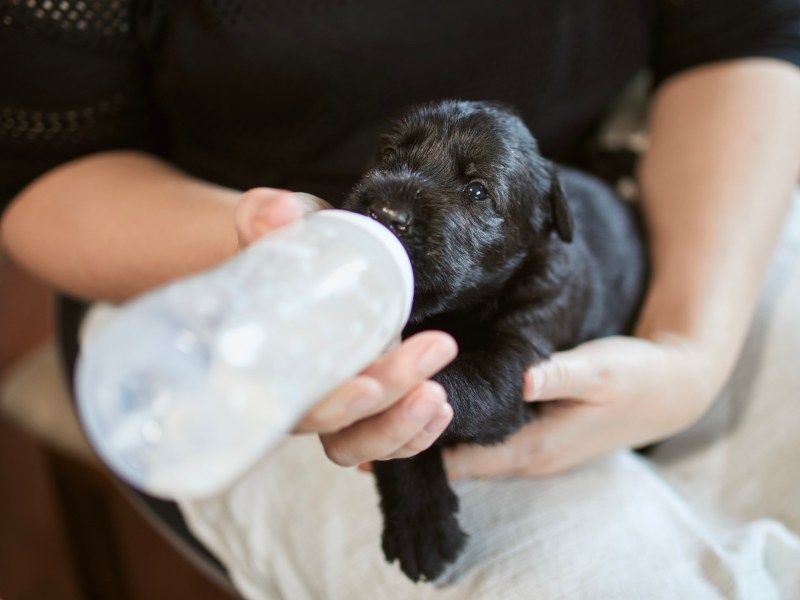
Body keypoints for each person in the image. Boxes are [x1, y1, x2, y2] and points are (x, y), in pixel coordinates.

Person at [1, 0, 800, 594]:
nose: (398, 192)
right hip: (208, 258)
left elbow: (747, 25)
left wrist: (692, 344)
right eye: (397, 156)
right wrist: (274, 258)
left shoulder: (551, 259)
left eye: (473, 193)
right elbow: (42, 170)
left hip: (674, 182)